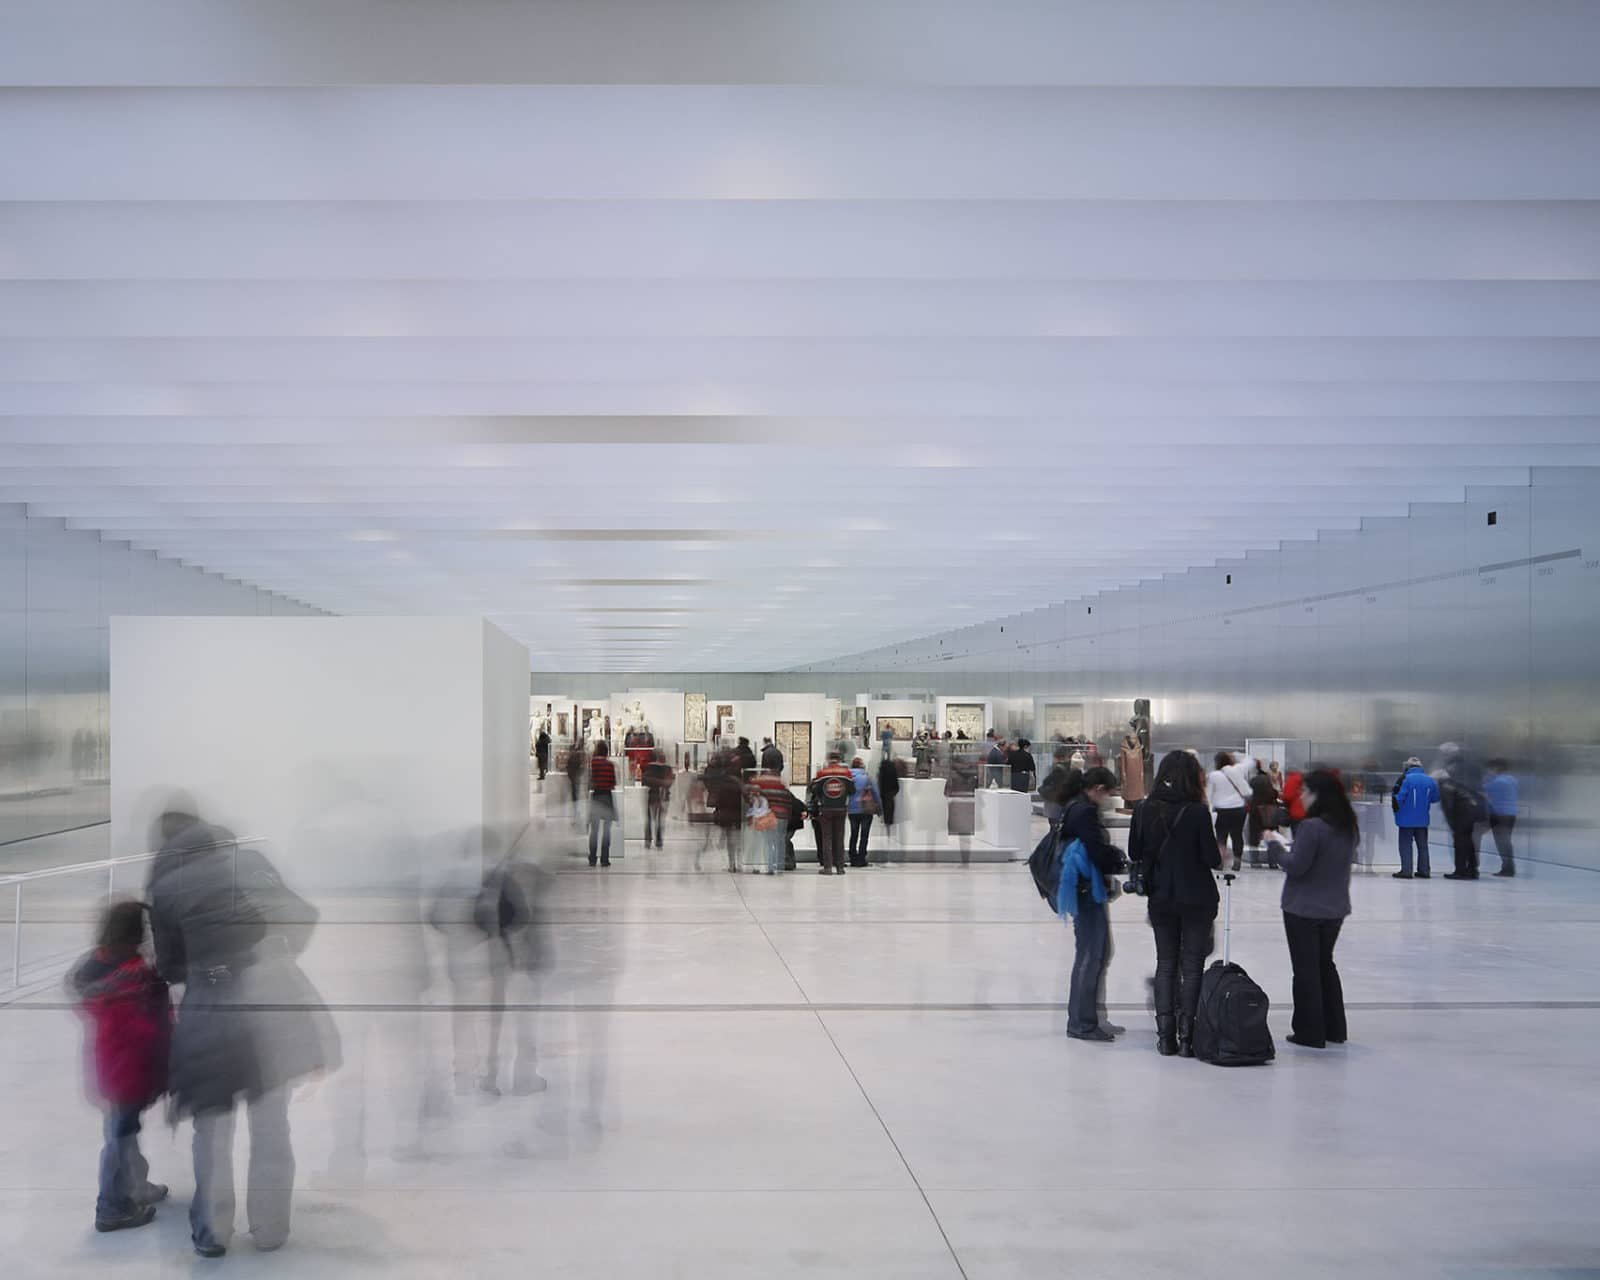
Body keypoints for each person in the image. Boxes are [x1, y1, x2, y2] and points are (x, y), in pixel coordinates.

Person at [147, 807, 339, 1258]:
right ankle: (271, 1228)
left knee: (211, 1125)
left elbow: (169, 965)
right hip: (269, 1001)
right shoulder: (249, 864)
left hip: (208, 1005)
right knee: (271, 1120)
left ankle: (212, 1230)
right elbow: (302, 914)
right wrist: (275, 956)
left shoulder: (167, 885)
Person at [69, 899, 172, 1234]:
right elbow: (152, 1026)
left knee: (122, 1131)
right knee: (120, 1137)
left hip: (108, 1064)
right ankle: (111, 1208)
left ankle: (136, 1186)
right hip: (132, 1067)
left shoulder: (93, 966)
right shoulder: (136, 975)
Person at [1129, 751, 1221, 1058]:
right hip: (1197, 898)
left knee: (1166, 964)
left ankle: (1165, 1037)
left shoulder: (1144, 809)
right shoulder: (1197, 812)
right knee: (1192, 967)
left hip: (1161, 897)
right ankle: (1187, 1039)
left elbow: (1134, 851)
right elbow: (1212, 858)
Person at [1280, 769, 1357, 1048]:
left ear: (1317, 795)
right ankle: (1334, 1027)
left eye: (1305, 791)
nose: (1301, 796)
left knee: (1305, 970)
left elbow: (1297, 866)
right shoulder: (1347, 827)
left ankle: (1309, 1030)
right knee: (1325, 964)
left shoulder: (1312, 828)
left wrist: (1275, 850)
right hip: (1334, 908)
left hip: (1304, 908)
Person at [1059, 767, 1123, 1042]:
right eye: (1108, 793)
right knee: (1091, 954)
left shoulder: (1075, 807)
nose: (1108, 798)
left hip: (1085, 888)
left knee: (1099, 951)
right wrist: (1119, 860)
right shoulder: (1084, 812)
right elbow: (1096, 850)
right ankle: (1082, 1023)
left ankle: (1093, 1017)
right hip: (1086, 891)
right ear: (1098, 789)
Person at [1438, 744, 1484, 881]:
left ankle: (1460, 870)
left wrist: (1451, 822)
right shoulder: (1461, 780)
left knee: (1460, 843)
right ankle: (1472, 869)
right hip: (1470, 814)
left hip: (1462, 816)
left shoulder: (1446, 784)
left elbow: (1449, 805)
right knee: (1468, 842)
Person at [1390, 756, 1439, 879]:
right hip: (1422, 819)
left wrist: (1396, 811)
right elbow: (1435, 798)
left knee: (1405, 845)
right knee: (1423, 846)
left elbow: (1398, 797)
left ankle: (1406, 871)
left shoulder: (1405, 779)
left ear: (1408, 767)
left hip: (1406, 819)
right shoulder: (1430, 780)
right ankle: (1424, 870)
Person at [808, 752, 856, 875]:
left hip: (826, 809)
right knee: (839, 837)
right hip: (841, 808)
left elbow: (815, 790)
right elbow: (852, 790)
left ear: (828, 759)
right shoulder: (846, 773)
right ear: (839, 759)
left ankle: (828, 867)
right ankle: (840, 867)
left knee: (827, 838)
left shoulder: (822, 773)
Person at [1208, 751, 1252, 870]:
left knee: (1221, 836)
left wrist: (1209, 808)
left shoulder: (1213, 775)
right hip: (1238, 808)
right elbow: (1250, 761)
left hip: (1221, 809)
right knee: (1237, 835)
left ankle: (1221, 861)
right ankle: (1237, 861)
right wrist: (1236, 755)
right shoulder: (1238, 769)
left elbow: (1209, 793)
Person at [750, 764, 793, 875]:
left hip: (769, 816)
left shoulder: (761, 781)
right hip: (783, 815)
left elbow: (756, 799)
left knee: (768, 842)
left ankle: (770, 867)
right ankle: (780, 867)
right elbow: (789, 799)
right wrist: (788, 813)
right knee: (780, 842)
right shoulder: (782, 782)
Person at [1483, 758, 1519, 877]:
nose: (1488, 771)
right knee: (1506, 841)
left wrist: (1487, 779)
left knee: (1502, 842)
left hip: (1499, 814)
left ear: (1496, 768)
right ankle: (1508, 867)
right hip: (1511, 813)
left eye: (1489, 769)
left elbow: (1483, 790)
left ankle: (1508, 868)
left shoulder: (1498, 781)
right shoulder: (1512, 780)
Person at [846, 756, 880, 867]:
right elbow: (875, 793)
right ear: (862, 766)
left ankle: (852, 857)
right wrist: (879, 806)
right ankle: (861, 858)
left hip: (852, 810)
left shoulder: (848, 778)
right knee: (864, 835)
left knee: (853, 834)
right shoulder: (867, 778)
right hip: (866, 809)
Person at [587, 741, 617, 867]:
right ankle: (605, 858)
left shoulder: (592, 763)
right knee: (606, 830)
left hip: (596, 796)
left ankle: (592, 858)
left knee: (594, 830)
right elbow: (613, 783)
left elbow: (590, 781)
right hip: (607, 797)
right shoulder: (610, 765)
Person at [1246, 765, 1281, 868]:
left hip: (1255, 813)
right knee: (1272, 837)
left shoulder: (1253, 795)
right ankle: (1273, 861)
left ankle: (1254, 861)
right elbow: (1276, 795)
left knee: (1254, 837)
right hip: (1269, 815)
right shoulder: (1272, 792)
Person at [642, 749, 675, 850]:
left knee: (652, 819)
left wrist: (658, 782)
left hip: (654, 795)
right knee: (659, 819)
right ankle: (657, 840)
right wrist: (663, 783)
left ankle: (649, 840)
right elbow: (669, 782)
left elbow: (645, 780)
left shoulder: (650, 768)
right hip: (661, 796)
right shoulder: (666, 768)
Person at [1038, 747, 1076, 826]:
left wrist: (1042, 790)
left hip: (1055, 803)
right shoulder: (1072, 769)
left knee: (1054, 826)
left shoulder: (1057, 769)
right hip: (1065, 803)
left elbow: (1046, 782)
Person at [876, 750, 901, 834]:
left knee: (884, 806)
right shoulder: (893, 768)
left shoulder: (882, 768)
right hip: (891, 791)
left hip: (884, 791)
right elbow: (895, 780)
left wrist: (880, 790)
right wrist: (896, 790)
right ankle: (889, 821)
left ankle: (885, 820)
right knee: (890, 806)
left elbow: (880, 780)